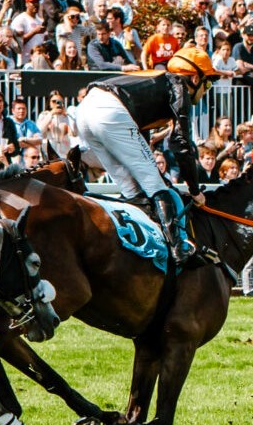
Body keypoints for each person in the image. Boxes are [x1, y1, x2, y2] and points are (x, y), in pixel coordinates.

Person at [71, 47, 220, 266]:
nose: (206, 90)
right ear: (195, 78)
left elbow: (143, 133)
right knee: (157, 186)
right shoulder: (179, 86)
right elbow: (180, 143)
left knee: (132, 190)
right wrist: (195, 189)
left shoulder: (155, 80)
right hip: (110, 112)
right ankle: (178, 250)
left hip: (84, 111)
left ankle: (130, 249)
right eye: (207, 84)